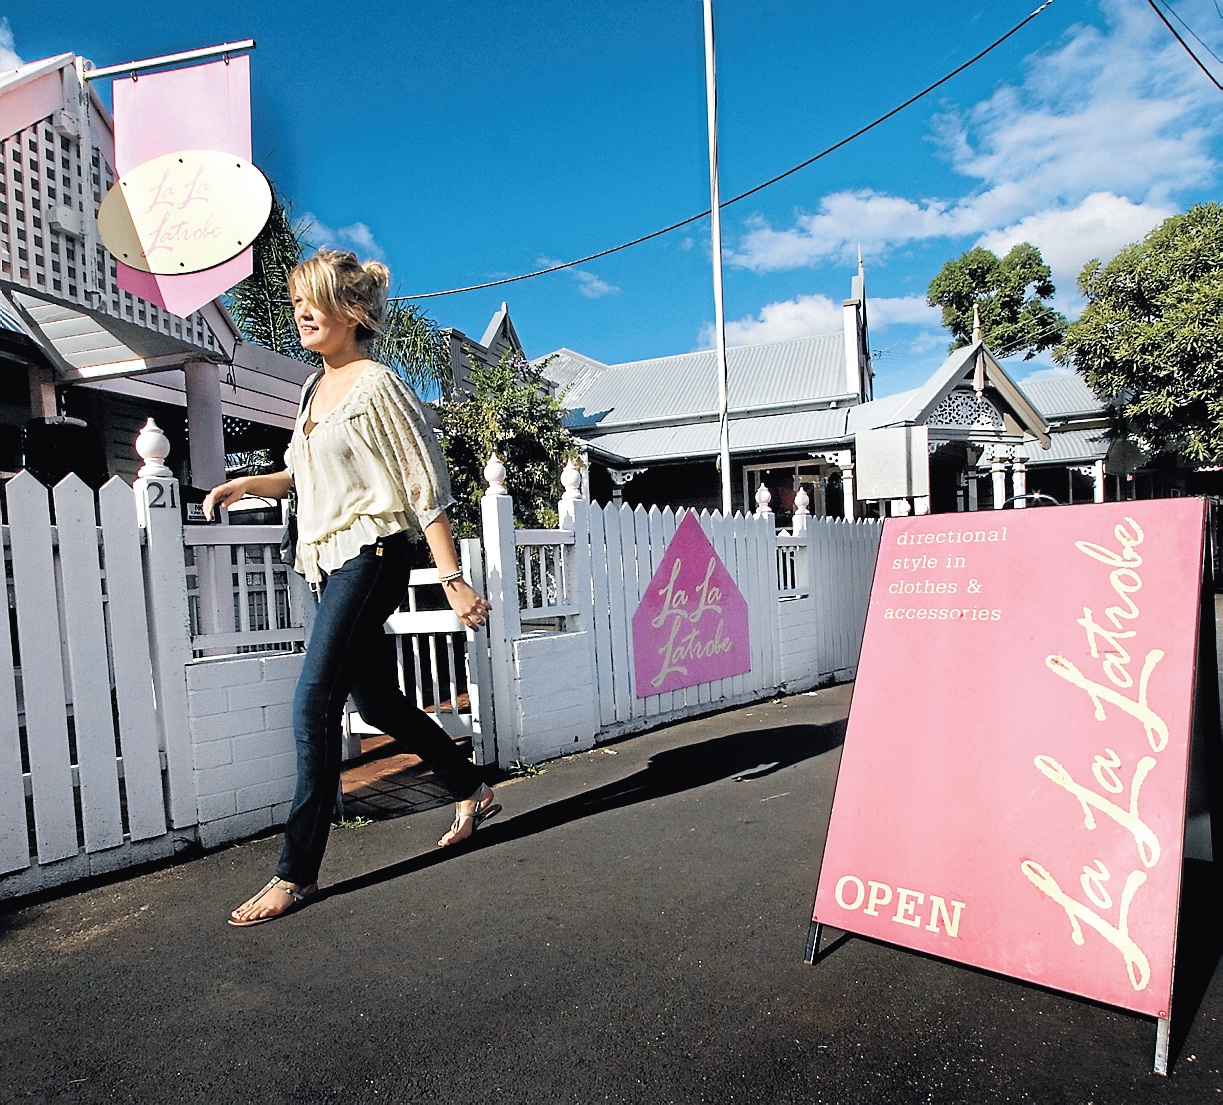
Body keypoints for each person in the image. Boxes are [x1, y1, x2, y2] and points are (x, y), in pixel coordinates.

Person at [205, 250, 500, 927]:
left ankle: (294, 872)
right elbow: (304, 478)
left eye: (316, 300)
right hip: (325, 558)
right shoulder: (315, 390)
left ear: (354, 312)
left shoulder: (376, 385)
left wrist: (452, 579)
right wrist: (249, 483)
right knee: (377, 698)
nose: (302, 312)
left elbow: (425, 485)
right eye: (297, 300)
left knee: (313, 703)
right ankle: (470, 788)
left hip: (371, 554)